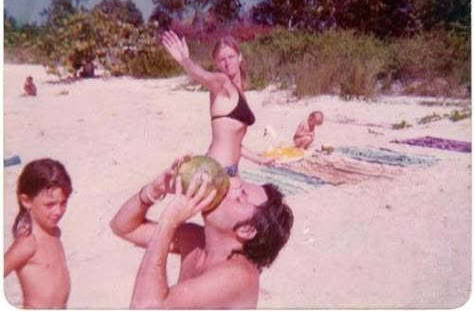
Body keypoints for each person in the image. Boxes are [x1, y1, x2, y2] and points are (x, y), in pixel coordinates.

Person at [110, 156, 293, 309]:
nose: (227, 190)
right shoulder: (195, 239)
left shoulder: (238, 276)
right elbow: (123, 227)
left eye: (239, 198)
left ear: (247, 229)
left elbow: (144, 308)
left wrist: (168, 223)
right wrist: (153, 191)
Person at [161, 31, 273, 178]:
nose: (227, 63)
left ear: (239, 57)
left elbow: (234, 141)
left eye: (231, 57)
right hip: (215, 172)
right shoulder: (222, 83)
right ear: (216, 63)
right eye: (222, 59)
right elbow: (198, 74)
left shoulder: (240, 92)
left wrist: (260, 160)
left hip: (230, 172)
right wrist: (184, 59)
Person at [4, 158, 73, 309]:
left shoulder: (55, 232)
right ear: (26, 201)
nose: (58, 211)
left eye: (63, 202)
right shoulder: (28, 242)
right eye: (50, 205)